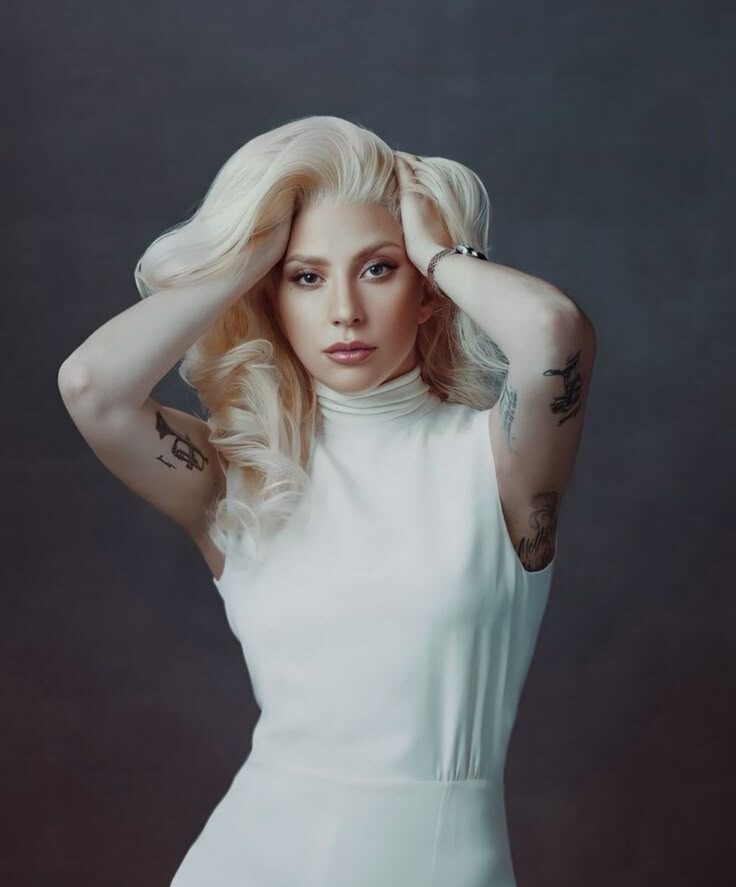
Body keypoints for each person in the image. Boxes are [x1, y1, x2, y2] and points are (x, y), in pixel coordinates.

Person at [57, 114, 596, 886]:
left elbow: (553, 331)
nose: (344, 308)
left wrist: (437, 251)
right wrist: (251, 255)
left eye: (377, 268)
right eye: (306, 277)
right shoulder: (241, 477)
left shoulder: (499, 463)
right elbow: (91, 386)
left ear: (425, 293)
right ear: (272, 297)